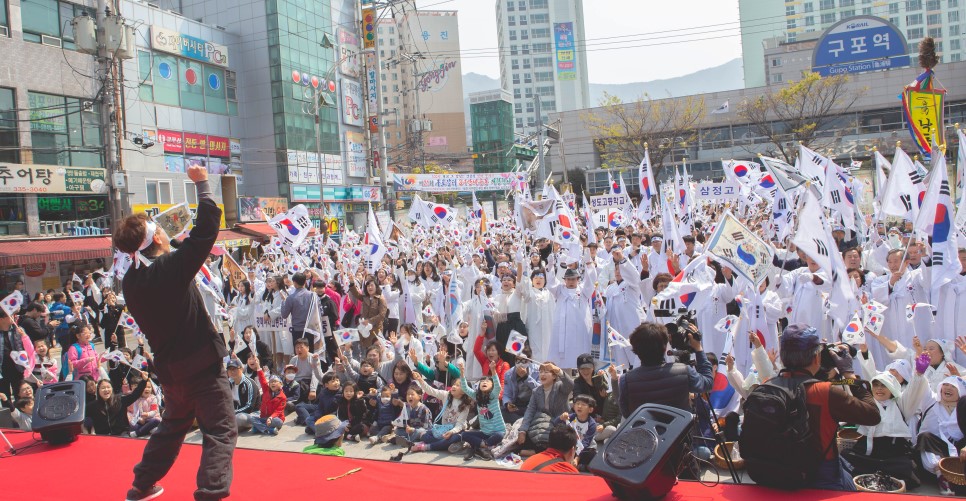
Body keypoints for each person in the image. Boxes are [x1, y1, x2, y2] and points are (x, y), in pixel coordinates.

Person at [114, 164, 235, 501]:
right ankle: (211, 492)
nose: (167, 232)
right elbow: (206, 230)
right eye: (161, 230)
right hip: (202, 366)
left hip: (171, 371)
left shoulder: (132, 281)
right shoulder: (170, 268)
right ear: (155, 238)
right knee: (221, 430)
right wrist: (202, 185)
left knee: (172, 428)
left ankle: (141, 485)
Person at [618, 322, 714, 416]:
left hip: (644, 431)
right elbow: (708, 383)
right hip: (681, 430)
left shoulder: (625, 380)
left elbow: (626, 413)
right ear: (664, 348)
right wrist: (698, 348)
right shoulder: (684, 371)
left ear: (635, 350)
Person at [280, 272, 315, 347]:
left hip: (297, 329)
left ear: (294, 283)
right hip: (311, 329)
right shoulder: (312, 295)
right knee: (310, 352)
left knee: (299, 353)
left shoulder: (291, 298)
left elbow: (284, 315)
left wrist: (283, 301)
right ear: (305, 282)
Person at [0, 309, 26, 402]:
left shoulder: (18, 330)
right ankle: (10, 413)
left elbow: (26, 346)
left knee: (20, 393)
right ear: (1, 319)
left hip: (17, 367)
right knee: (5, 395)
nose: (13, 317)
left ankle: (22, 413)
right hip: (2, 368)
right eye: (10, 315)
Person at [227, 359, 260, 432]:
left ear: (241, 369)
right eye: (229, 370)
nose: (232, 372)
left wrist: (231, 413)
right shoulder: (228, 383)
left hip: (251, 414)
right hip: (233, 414)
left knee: (239, 418)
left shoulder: (249, 383)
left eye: (234, 369)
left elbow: (249, 407)